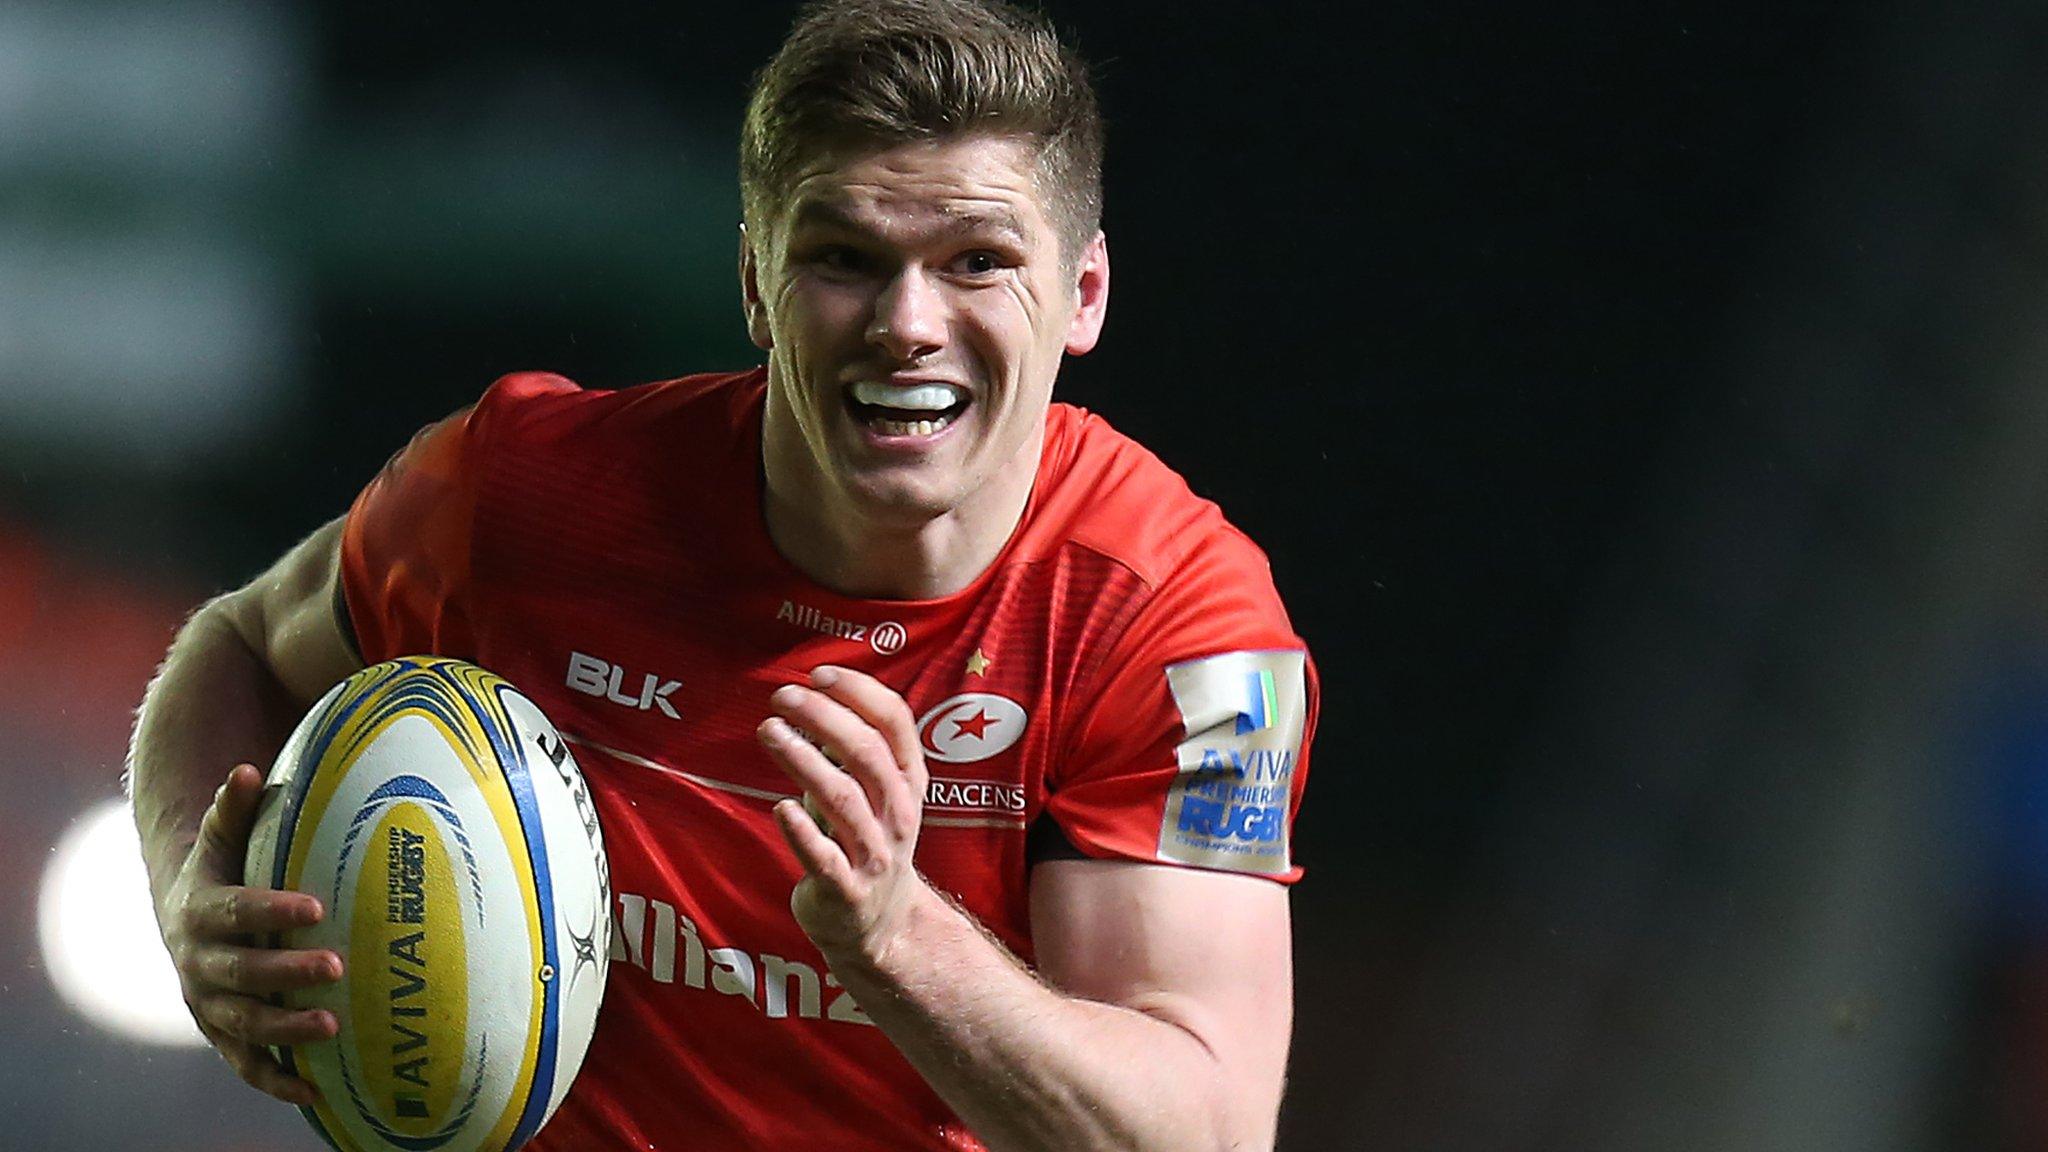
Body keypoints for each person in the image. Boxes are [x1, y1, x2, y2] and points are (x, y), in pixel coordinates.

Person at [128, 1, 1319, 1148]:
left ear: (1084, 295)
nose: (906, 321)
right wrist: (190, 890)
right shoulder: (521, 495)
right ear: (755, 283)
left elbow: (1196, 1135)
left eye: (975, 261)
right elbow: (234, 643)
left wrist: (894, 935)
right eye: (845, 256)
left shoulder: (1188, 634)